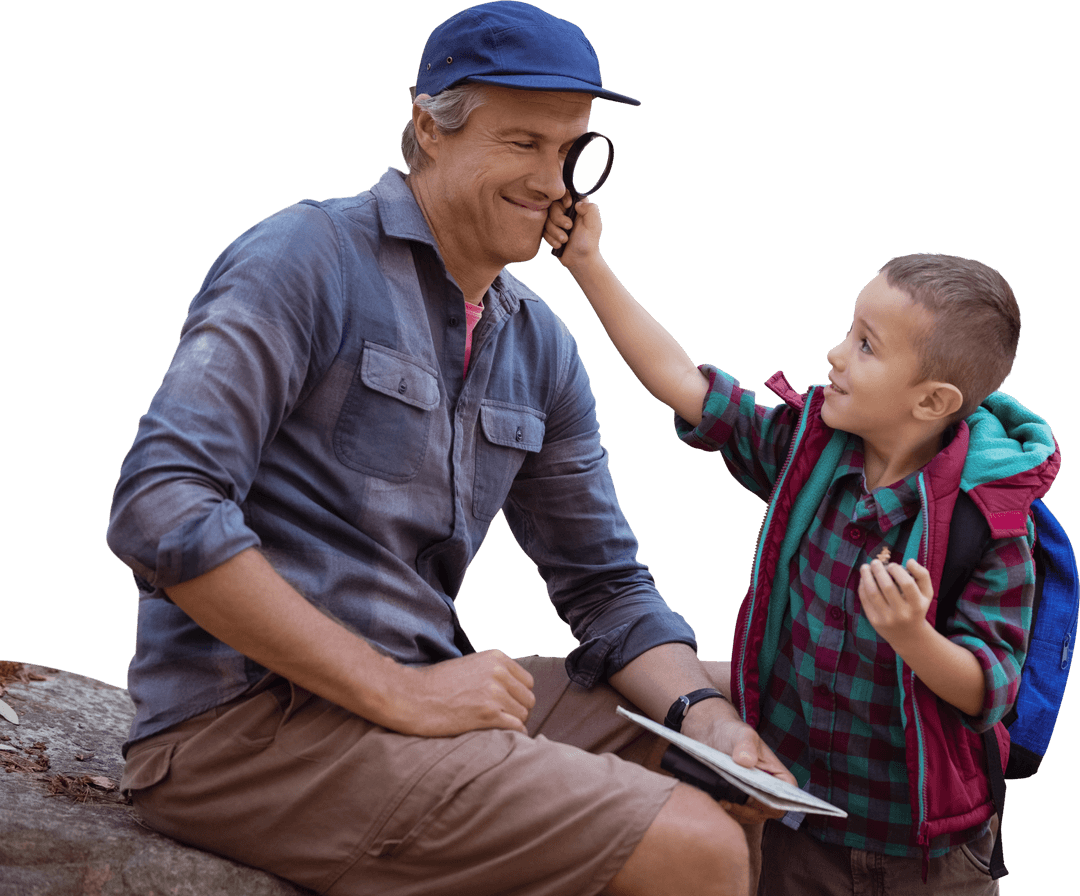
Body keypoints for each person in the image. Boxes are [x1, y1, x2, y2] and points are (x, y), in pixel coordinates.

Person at [106, 3, 793, 894]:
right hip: (246, 727)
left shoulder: (539, 344)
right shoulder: (305, 257)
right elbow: (162, 506)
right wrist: (400, 694)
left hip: (421, 697)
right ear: (431, 128)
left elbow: (606, 586)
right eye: (522, 144)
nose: (556, 182)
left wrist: (703, 718)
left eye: (572, 151)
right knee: (695, 844)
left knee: (765, 704)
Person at [545, 200, 1059, 894]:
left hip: (932, 859)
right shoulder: (807, 453)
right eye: (849, 333)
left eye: (867, 346)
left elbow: (990, 688)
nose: (835, 355)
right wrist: (587, 264)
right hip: (800, 832)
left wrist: (913, 634)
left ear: (933, 402)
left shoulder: (988, 525)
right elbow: (688, 387)